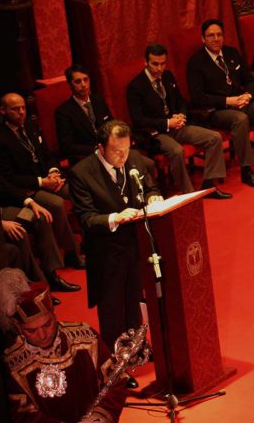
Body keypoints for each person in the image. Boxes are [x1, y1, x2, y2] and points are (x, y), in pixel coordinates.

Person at [69, 120, 161, 390]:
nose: (123, 156)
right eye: (116, 151)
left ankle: (136, 348)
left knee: (133, 299)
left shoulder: (134, 159)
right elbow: (85, 218)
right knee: (112, 311)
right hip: (106, 254)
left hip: (135, 246)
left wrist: (154, 197)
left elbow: (150, 187)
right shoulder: (81, 173)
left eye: (126, 148)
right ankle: (116, 366)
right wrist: (114, 217)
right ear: (100, 148)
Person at [0, 268, 126, 422]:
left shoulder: (85, 338)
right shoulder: (14, 363)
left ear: (54, 314)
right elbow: (22, 414)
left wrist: (100, 416)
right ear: (19, 327)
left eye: (47, 324)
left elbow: (116, 379)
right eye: (31, 330)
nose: (42, 335)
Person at [187, 19, 254, 188]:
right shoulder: (196, 62)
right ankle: (247, 170)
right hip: (217, 110)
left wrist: (248, 96)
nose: (216, 39)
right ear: (203, 39)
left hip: (242, 102)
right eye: (211, 36)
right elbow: (198, 97)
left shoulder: (231, 53)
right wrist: (228, 101)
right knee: (240, 119)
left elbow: (250, 80)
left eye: (219, 35)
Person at [0, 92, 85, 269]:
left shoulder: (32, 126)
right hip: (29, 188)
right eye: (15, 109)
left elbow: (47, 154)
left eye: (23, 108)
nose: (21, 112)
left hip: (47, 179)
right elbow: (9, 178)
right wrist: (42, 182)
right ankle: (73, 254)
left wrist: (53, 172)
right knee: (56, 204)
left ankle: (89, 239)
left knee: (77, 189)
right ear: (3, 111)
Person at [127, 43, 231, 199]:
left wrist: (181, 115)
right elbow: (139, 120)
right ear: (145, 62)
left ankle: (209, 185)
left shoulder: (167, 76)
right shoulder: (136, 86)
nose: (159, 68)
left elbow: (181, 101)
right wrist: (167, 123)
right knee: (176, 151)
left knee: (214, 138)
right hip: (155, 134)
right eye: (155, 64)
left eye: (162, 64)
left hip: (176, 126)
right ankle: (188, 194)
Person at [0, 172, 80, 294]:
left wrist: (30, 203)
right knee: (19, 232)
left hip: (2, 210)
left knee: (40, 217)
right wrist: (0, 223)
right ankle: (39, 286)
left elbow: (3, 186)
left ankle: (52, 276)